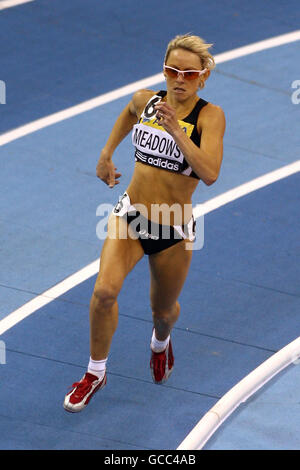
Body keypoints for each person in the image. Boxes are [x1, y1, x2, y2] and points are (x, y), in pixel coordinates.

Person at [64, 33, 226, 412]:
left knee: (163, 312)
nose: (179, 79)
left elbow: (210, 173)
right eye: (172, 70)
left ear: (202, 77)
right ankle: (95, 372)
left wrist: (175, 132)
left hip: (172, 227)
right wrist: (106, 154)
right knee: (104, 293)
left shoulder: (209, 116)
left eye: (188, 73)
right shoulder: (146, 100)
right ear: (164, 71)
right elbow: (128, 113)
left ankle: (160, 342)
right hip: (130, 216)